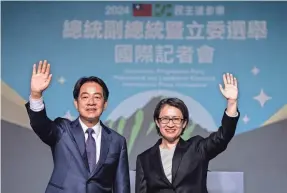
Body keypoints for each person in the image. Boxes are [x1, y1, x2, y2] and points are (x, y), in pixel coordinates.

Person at [25, 60, 130, 193]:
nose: (91, 102)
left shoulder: (117, 141)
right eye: (85, 97)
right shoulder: (62, 130)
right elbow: (40, 125)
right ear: (76, 103)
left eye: (97, 97)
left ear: (105, 104)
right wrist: (36, 95)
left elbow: (122, 187)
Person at [135, 73, 240, 193]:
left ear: (184, 123)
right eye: (165, 119)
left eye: (176, 119)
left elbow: (223, 136)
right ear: (157, 122)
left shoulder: (197, 148)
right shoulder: (144, 159)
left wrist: (232, 103)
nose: (170, 124)